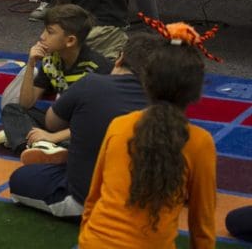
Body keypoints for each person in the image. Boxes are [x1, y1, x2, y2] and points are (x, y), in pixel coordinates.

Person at [78, 20, 219, 249]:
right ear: (196, 92)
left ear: (146, 82)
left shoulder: (119, 126)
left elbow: (93, 199)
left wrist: (88, 239)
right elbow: (202, 227)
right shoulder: (200, 142)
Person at [8, 33, 159, 219]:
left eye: (50, 31)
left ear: (119, 58)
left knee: (20, 178)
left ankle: (53, 149)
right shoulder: (166, 104)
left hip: (89, 201)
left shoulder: (92, 80)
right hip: (145, 204)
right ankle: (54, 150)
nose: (42, 36)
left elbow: (51, 122)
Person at [0, 4, 112, 154]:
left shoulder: (97, 68)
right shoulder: (51, 61)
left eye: (50, 32)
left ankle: (33, 142)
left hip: (86, 126)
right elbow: (26, 104)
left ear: (70, 41)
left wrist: (53, 136)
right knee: (12, 109)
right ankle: (35, 147)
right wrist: (31, 64)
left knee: (92, 140)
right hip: (63, 123)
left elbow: (95, 121)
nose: (42, 36)